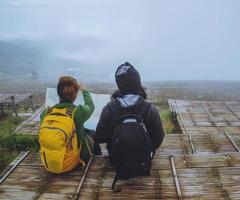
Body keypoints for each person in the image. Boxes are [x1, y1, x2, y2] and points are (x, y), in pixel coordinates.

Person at [95, 62, 165, 191]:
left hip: (117, 161)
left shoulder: (109, 109)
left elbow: (99, 137)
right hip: (144, 160)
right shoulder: (149, 109)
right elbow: (158, 138)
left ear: (119, 85)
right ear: (138, 83)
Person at [39, 76, 95, 173]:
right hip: (70, 163)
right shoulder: (78, 112)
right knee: (90, 133)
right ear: (75, 95)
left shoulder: (46, 112)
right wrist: (85, 90)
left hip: (47, 162)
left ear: (58, 93)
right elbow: (91, 106)